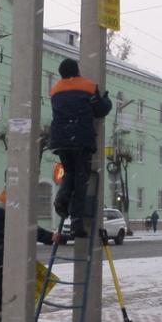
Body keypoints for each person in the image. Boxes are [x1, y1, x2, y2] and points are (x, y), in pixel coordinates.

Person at [49, 57, 112, 238]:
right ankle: (77, 222)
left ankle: (61, 200)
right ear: (77, 70)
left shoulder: (55, 90)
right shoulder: (88, 87)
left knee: (69, 173)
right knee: (80, 180)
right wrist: (106, 100)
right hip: (80, 140)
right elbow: (100, 110)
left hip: (61, 140)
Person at [0, 189, 59, 322]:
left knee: (2, 286)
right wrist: (50, 237)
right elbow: (27, 227)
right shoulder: (12, 201)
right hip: (4, 253)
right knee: (1, 288)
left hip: (3, 252)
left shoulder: (8, 196)